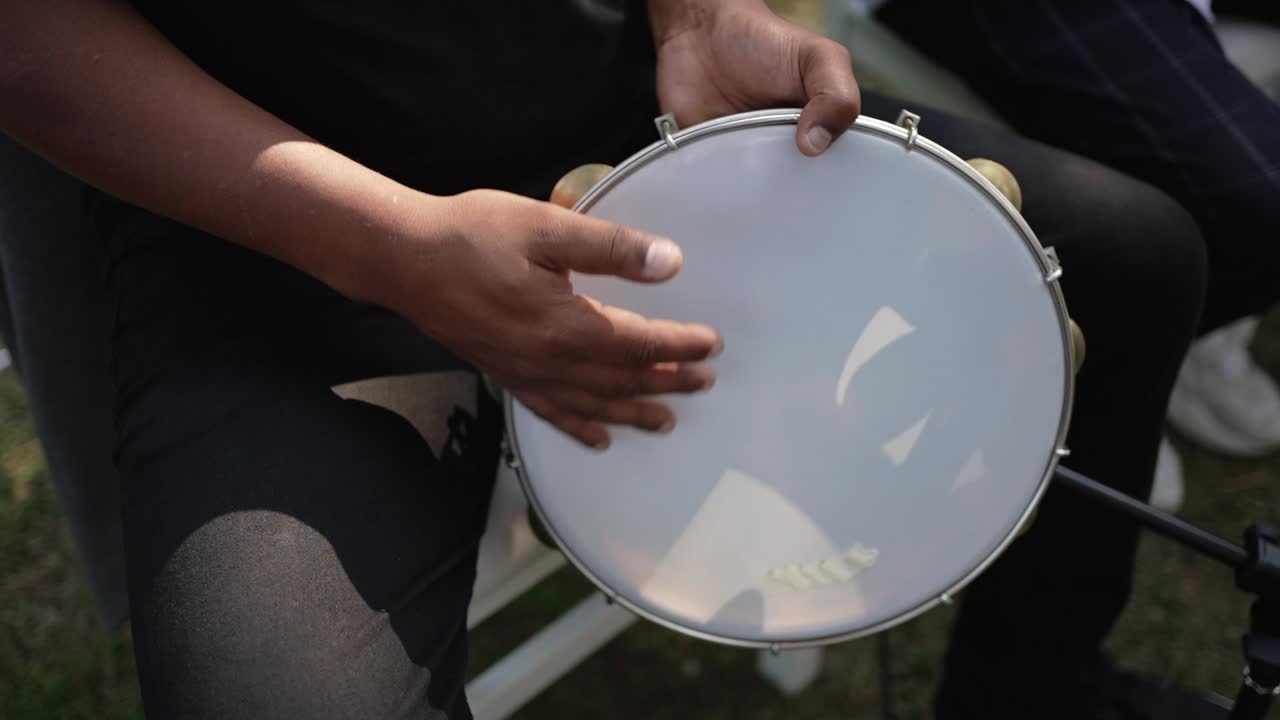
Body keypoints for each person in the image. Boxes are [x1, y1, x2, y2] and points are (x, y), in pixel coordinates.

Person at [1, 1, 1213, 718]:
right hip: (272, 223)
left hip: (615, 114)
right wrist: (393, 253)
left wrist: (695, 14)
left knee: (1137, 258)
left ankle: (1034, 691)